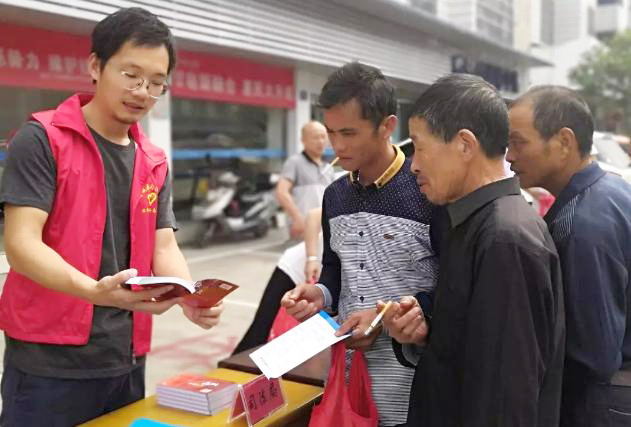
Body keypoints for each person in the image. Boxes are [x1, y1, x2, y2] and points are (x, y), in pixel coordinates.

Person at [0, 8, 222, 426]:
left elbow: (164, 243)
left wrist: (187, 295)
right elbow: (22, 242)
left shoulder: (153, 159)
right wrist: (92, 291)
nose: (143, 91)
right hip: (49, 364)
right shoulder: (43, 139)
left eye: (157, 83)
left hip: (126, 358)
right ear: (96, 66)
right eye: (131, 75)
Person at [384, 74, 565, 427]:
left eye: (420, 147)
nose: (414, 164)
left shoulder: (504, 240)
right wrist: (425, 328)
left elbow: (504, 401)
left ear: (465, 145)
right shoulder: (475, 222)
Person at [281, 62, 437, 426]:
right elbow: (337, 268)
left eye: (349, 133)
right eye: (332, 132)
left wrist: (386, 318)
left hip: (413, 384)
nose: (337, 145)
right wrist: (320, 294)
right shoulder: (334, 196)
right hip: (349, 382)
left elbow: (455, 285)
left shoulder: (427, 191)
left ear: (387, 126)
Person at [506, 85, 631, 426]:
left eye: (518, 142)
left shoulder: (582, 225)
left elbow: (594, 354)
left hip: (601, 402)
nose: (508, 156)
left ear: (563, 141)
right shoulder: (615, 189)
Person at [232, 208, 323, 354]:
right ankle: (232, 372)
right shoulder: (353, 194)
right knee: (260, 331)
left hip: (323, 283)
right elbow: (314, 216)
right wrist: (312, 258)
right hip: (295, 269)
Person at [276, 121, 334, 240]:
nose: (321, 141)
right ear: (303, 140)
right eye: (315, 137)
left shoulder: (329, 167)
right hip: (303, 229)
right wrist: (297, 218)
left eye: (323, 137)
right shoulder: (294, 162)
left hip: (325, 230)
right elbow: (281, 192)